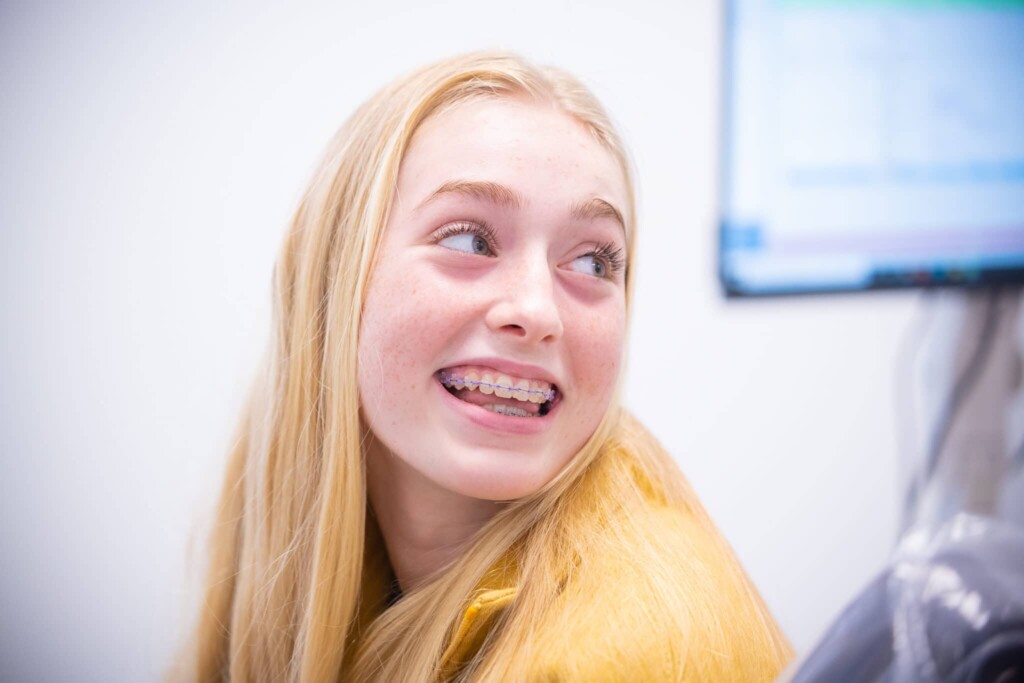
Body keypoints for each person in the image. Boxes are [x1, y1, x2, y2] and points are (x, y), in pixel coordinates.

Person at [176, 51, 793, 682]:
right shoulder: (325, 561)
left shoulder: (630, 646)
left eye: (592, 262)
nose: (536, 309)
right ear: (335, 280)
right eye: (470, 240)